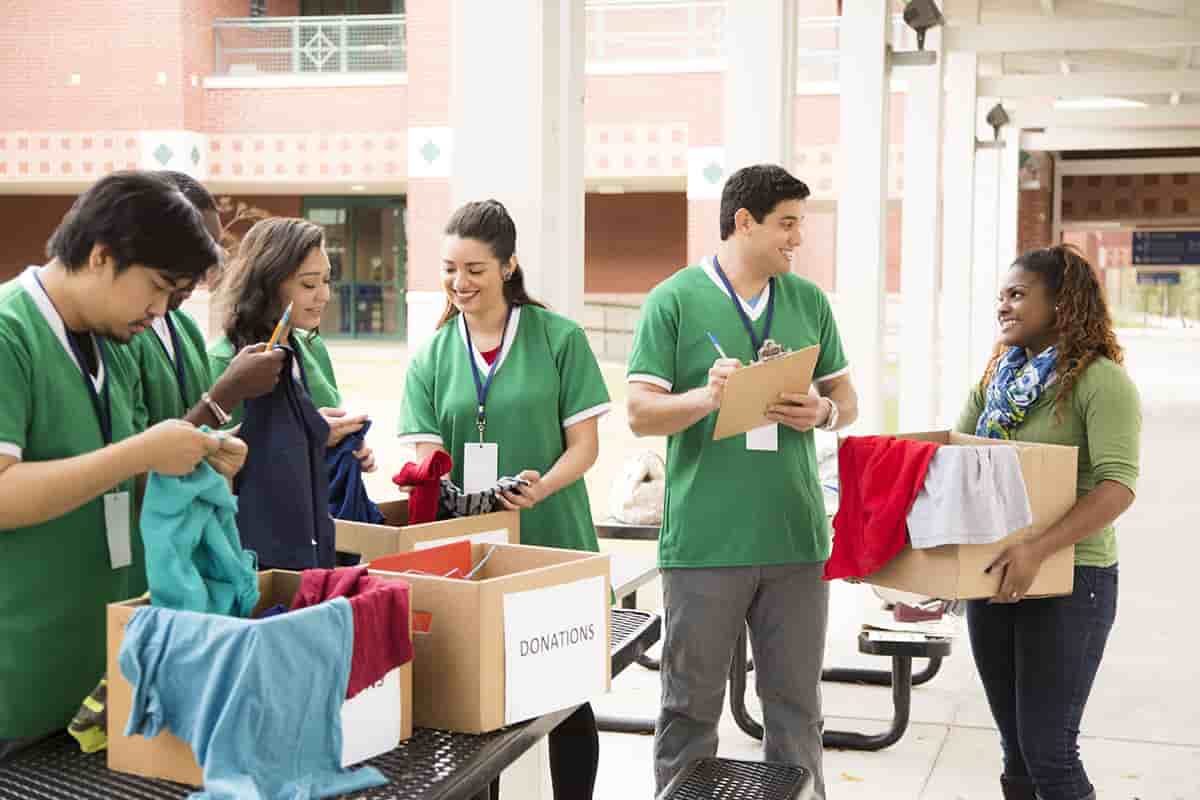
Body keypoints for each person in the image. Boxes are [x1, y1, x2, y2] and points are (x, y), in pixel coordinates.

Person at [626, 163, 859, 798]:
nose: (796, 239)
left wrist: (825, 411)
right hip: (706, 541)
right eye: (786, 225)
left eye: (799, 226)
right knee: (688, 710)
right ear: (744, 222)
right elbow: (640, 412)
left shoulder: (809, 300)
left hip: (794, 538)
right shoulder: (673, 299)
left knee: (796, 711)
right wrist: (707, 396)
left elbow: (848, 397)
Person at [0, 171, 234, 759]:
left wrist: (196, 458)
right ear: (102, 256)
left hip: (103, 677)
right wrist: (138, 453)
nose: (160, 312)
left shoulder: (112, 341)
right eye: (156, 288)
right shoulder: (10, 333)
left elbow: (117, 471)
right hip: (18, 686)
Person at [398, 199, 610, 799]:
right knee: (481, 712)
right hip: (473, 554)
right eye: (449, 269)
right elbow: (423, 459)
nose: (459, 283)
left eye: (474, 270)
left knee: (567, 699)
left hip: (553, 541)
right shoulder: (433, 355)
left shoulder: (559, 338)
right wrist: (454, 494)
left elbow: (585, 446)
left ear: (509, 266)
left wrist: (541, 486)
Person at [955, 244, 1140, 800]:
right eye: (1000, 297)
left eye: (1017, 295)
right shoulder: (997, 381)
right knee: (1016, 751)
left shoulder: (1100, 382)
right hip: (995, 579)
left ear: (1061, 305)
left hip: (1071, 581)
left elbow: (1118, 486)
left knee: (1049, 751)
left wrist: (1038, 548)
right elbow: (955, 457)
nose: (1003, 307)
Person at [208, 217, 374, 472]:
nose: (324, 295)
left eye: (327, 280)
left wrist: (347, 451)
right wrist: (310, 435)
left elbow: (325, 438)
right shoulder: (222, 361)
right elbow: (219, 462)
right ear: (267, 283)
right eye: (309, 284)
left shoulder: (313, 347)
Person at [128, 171, 285, 430]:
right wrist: (229, 391)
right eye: (194, 253)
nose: (203, 272)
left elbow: (204, 440)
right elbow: (136, 460)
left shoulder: (184, 325)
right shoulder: (122, 332)